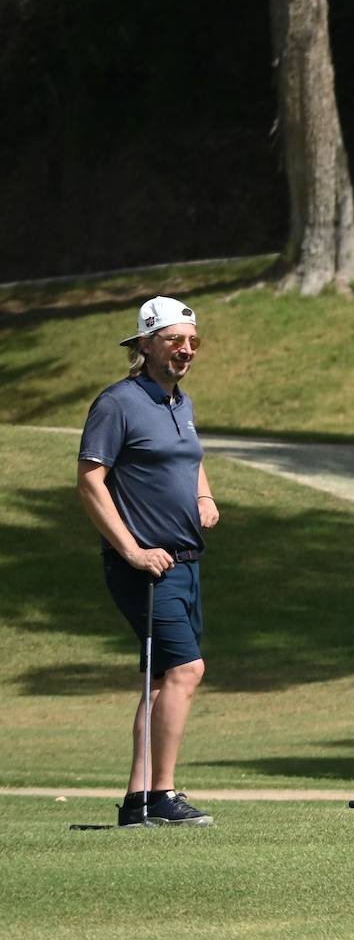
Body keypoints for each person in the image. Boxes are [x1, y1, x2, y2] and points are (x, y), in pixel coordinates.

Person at [77, 296, 219, 827]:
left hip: (185, 562)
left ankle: (136, 804)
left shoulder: (181, 403)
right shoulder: (118, 403)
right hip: (144, 566)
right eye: (173, 340)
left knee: (161, 680)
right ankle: (163, 795)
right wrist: (131, 550)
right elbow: (90, 480)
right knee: (186, 669)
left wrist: (204, 497)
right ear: (143, 345)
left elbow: (191, 459)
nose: (185, 351)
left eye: (192, 342)